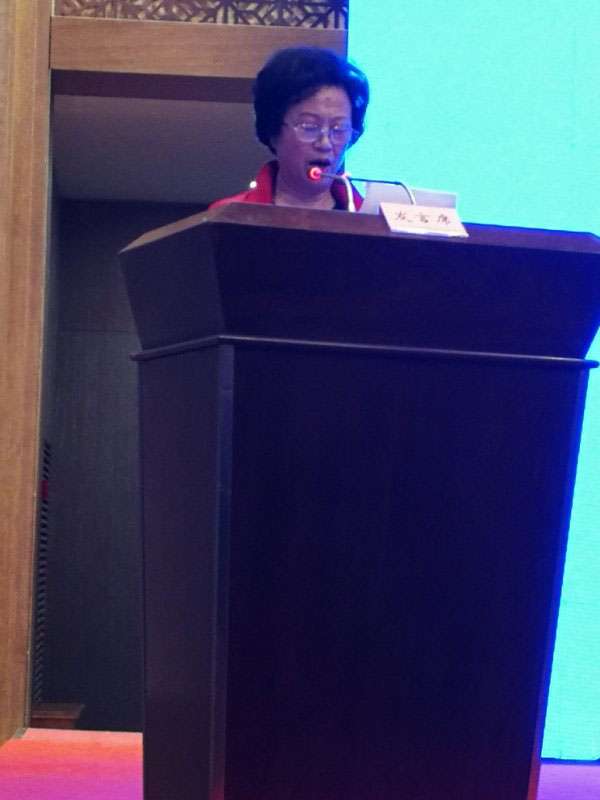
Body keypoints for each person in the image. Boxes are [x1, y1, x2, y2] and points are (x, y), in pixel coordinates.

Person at [210, 47, 369, 211]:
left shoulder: (372, 220)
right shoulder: (230, 215)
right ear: (273, 131)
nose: (325, 144)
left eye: (338, 128)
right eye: (309, 127)